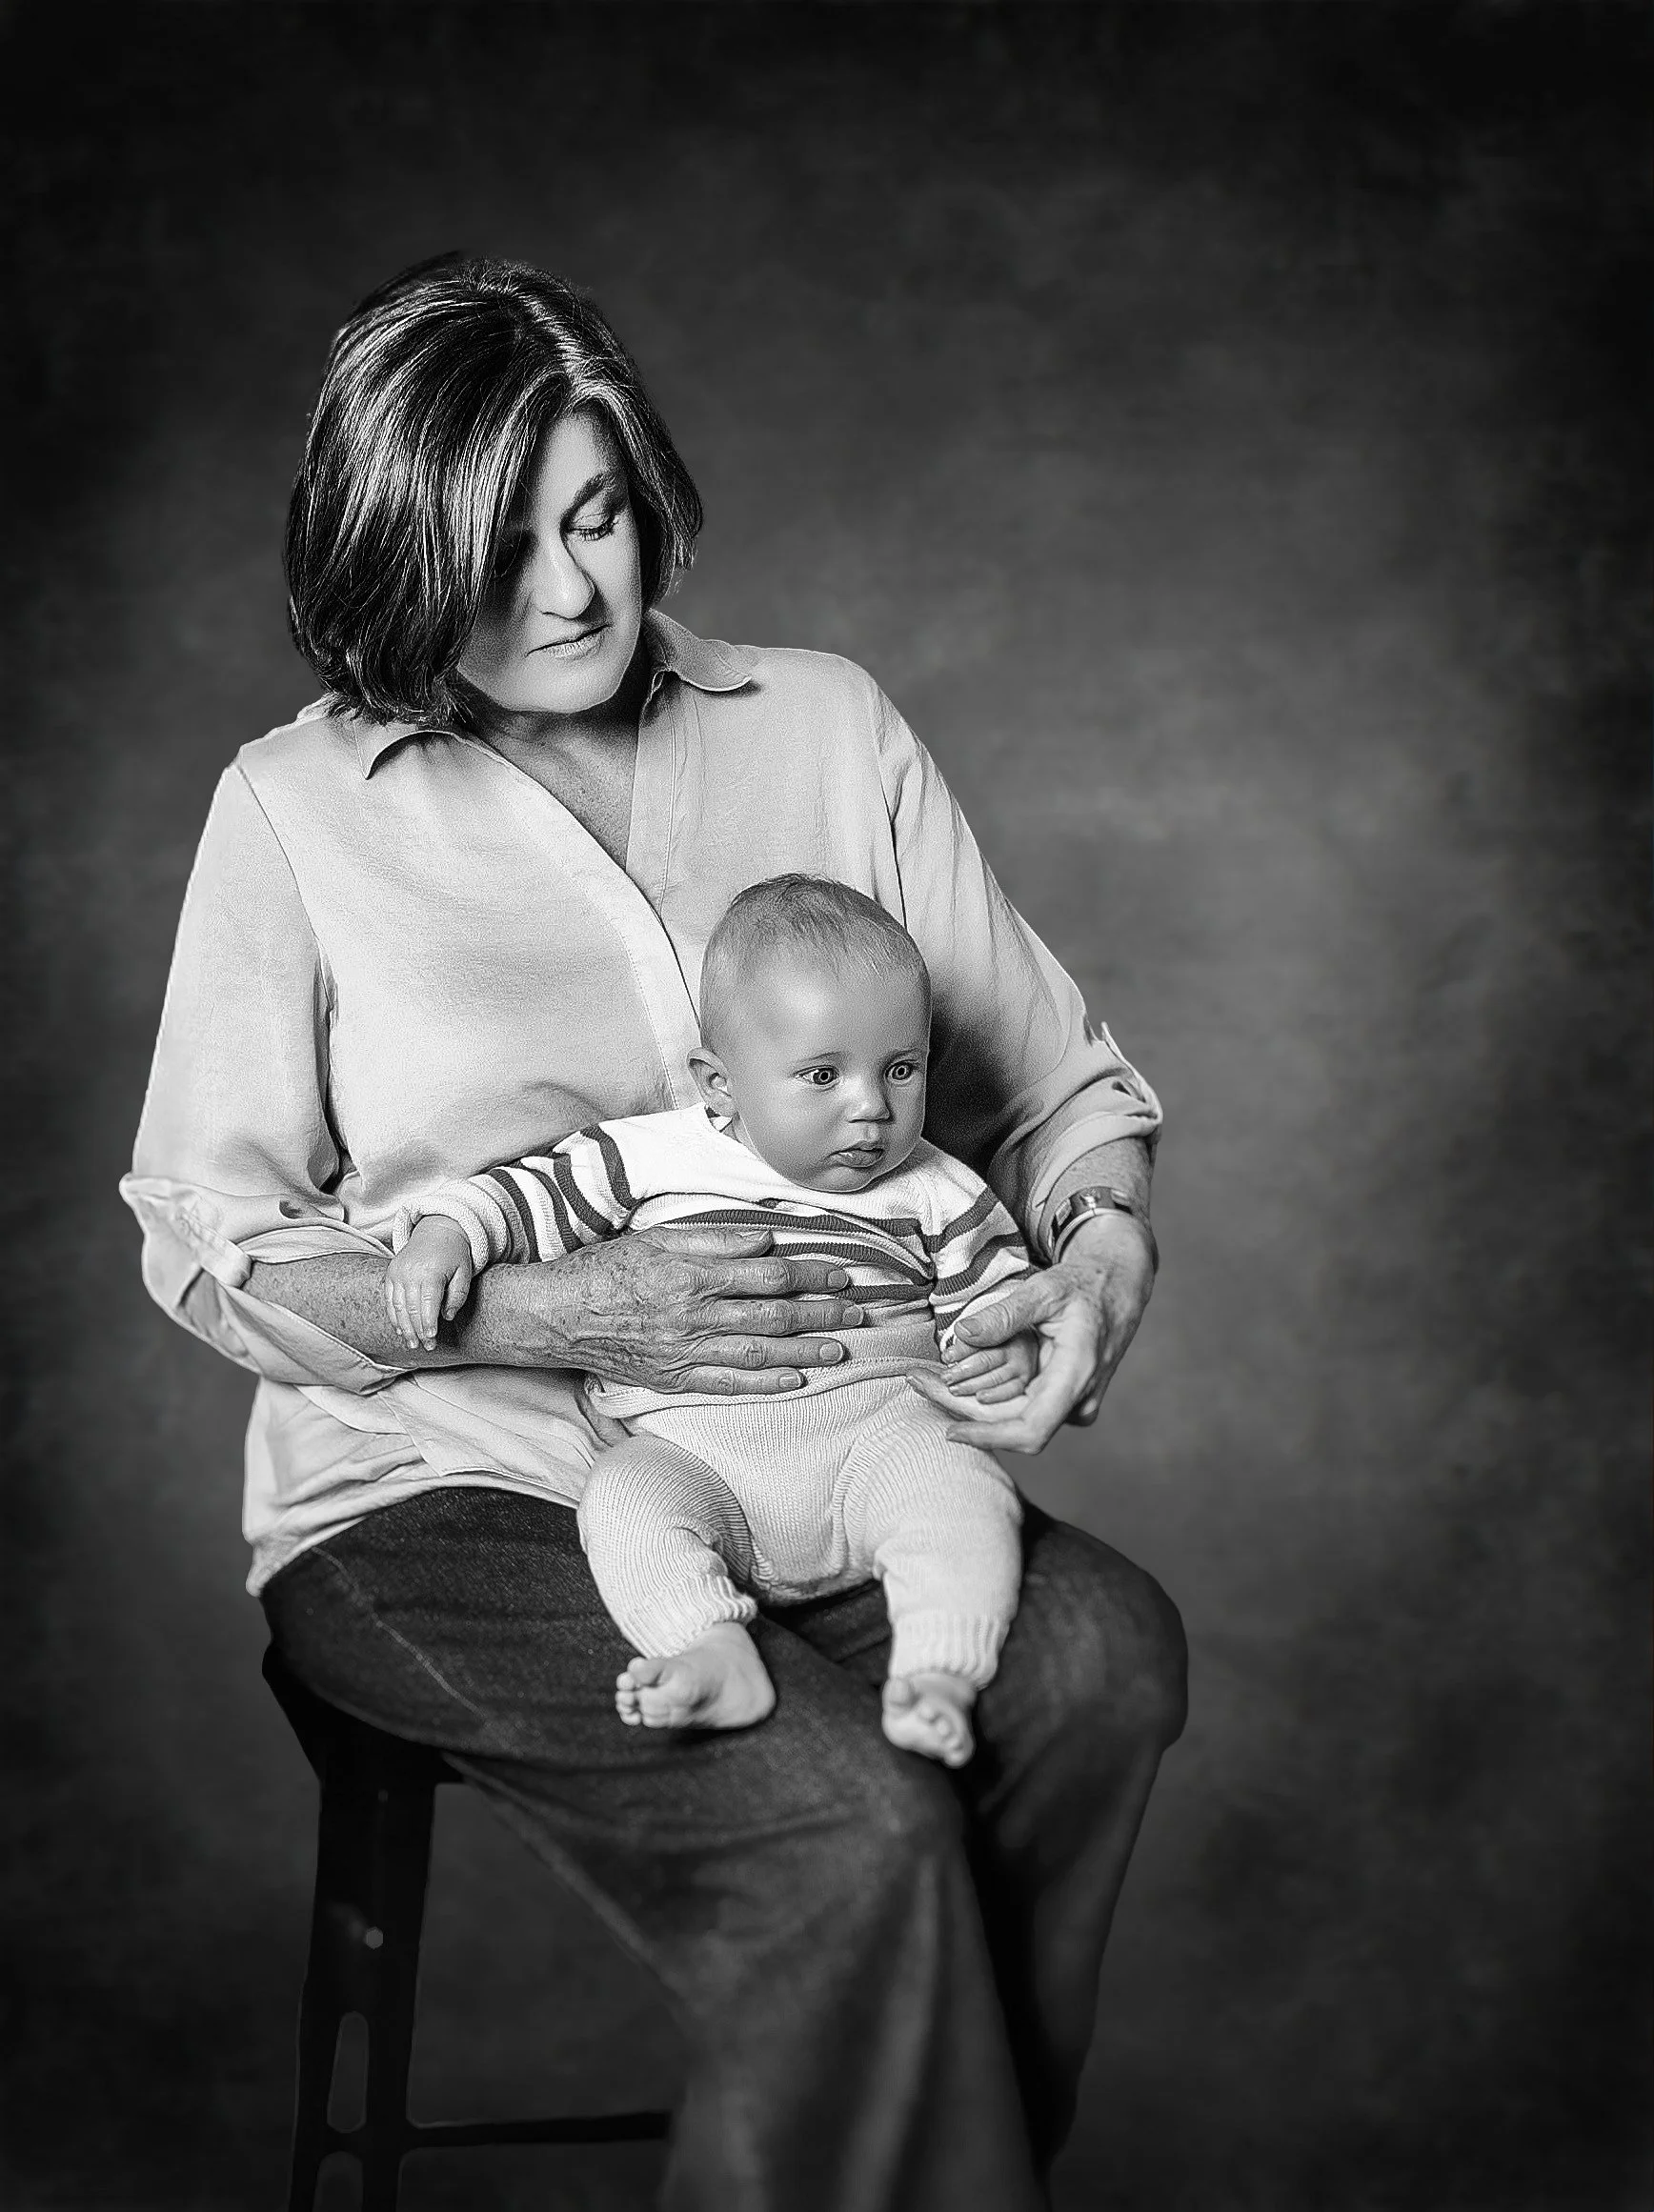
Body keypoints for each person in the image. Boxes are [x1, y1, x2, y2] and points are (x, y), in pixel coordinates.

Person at [121, 252, 1186, 2212]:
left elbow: (1060, 1090)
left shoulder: (824, 727)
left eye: (597, 512)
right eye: (499, 542)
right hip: (440, 1494)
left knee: (1103, 1657)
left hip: (835, 1458)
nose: (571, 591)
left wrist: (1093, 1268)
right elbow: (212, 1247)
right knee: (853, 1829)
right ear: (392, 552)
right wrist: (555, 1300)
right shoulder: (292, 808)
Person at [388, 874, 1040, 1765]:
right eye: (822, 1075)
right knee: (622, 1503)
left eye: (901, 1067)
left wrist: (1007, 1350)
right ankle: (710, 1646)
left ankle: (938, 1673)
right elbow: (526, 1197)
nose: (872, 1108)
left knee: (964, 1490)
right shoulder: (652, 1157)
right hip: (698, 1460)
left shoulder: (936, 1190)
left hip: (879, 1441)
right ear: (719, 1085)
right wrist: (445, 1237)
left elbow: (994, 1304)